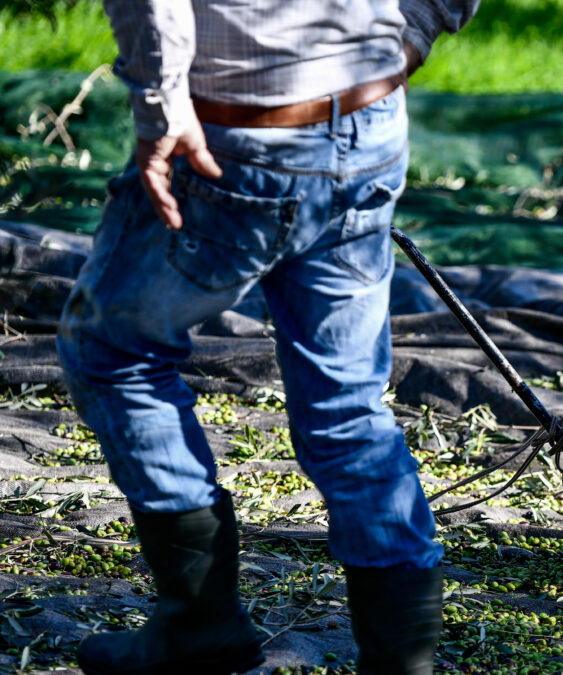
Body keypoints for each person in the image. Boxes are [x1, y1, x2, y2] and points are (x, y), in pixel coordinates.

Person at [56, 1, 479, 673]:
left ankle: (198, 623)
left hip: (236, 135)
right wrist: (414, 31)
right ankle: (403, 663)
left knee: (111, 351)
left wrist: (162, 103)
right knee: (346, 407)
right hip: (367, 120)